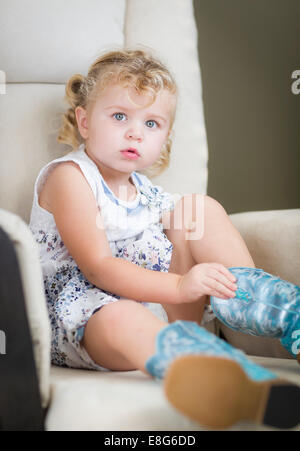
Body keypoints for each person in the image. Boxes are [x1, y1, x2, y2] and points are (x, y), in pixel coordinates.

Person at [29, 48, 300, 430]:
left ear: (165, 136)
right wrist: (180, 284)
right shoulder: (70, 178)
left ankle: (283, 312)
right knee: (123, 315)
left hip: (161, 305)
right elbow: (99, 267)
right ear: (85, 122)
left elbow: (179, 246)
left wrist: (191, 279)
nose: (135, 132)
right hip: (87, 320)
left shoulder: (147, 191)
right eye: (120, 116)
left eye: (152, 123)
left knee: (198, 209)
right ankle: (217, 377)